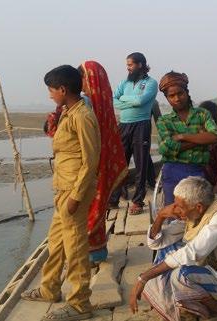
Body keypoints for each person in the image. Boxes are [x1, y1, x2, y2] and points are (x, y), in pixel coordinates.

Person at [21, 65, 100, 321]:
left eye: (51, 90)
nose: (50, 95)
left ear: (63, 89)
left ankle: (80, 304)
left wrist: (76, 197)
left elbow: (91, 160)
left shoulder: (83, 116)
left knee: (75, 246)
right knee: (56, 242)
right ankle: (49, 288)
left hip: (74, 190)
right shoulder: (68, 112)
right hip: (63, 189)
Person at [128, 177, 217, 321]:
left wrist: (145, 277)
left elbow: (194, 251)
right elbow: (157, 243)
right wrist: (161, 215)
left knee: (182, 274)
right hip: (211, 274)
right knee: (167, 250)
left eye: (179, 207)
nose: (175, 210)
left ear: (198, 207)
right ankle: (187, 308)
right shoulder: (195, 210)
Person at [78, 61, 128, 264]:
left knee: (87, 208)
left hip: (90, 166)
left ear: (89, 79)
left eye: (81, 78)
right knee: (97, 207)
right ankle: (97, 252)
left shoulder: (85, 105)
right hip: (102, 164)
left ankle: (86, 252)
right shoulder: (104, 105)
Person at [156, 71, 217, 206]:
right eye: (171, 96)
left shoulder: (203, 114)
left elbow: (216, 136)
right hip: (172, 171)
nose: (177, 98)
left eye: (180, 93)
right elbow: (166, 149)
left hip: (197, 170)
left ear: (186, 92)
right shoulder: (164, 121)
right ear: (167, 98)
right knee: (174, 214)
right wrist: (200, 139)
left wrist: (183, 137)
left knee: (197, 213)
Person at [110, 52, 158, 215]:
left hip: (141, 126)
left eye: (130, 65)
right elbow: (113, 100)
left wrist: (124, 100)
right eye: (127, 65)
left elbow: (141, 101)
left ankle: (138, 201)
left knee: (141, 164)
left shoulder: (151, 83)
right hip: (123, 125)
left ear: (140, 64)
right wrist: (130, 101)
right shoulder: (124, 83)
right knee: (120, 163)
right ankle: (114, 199)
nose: (128, 68)